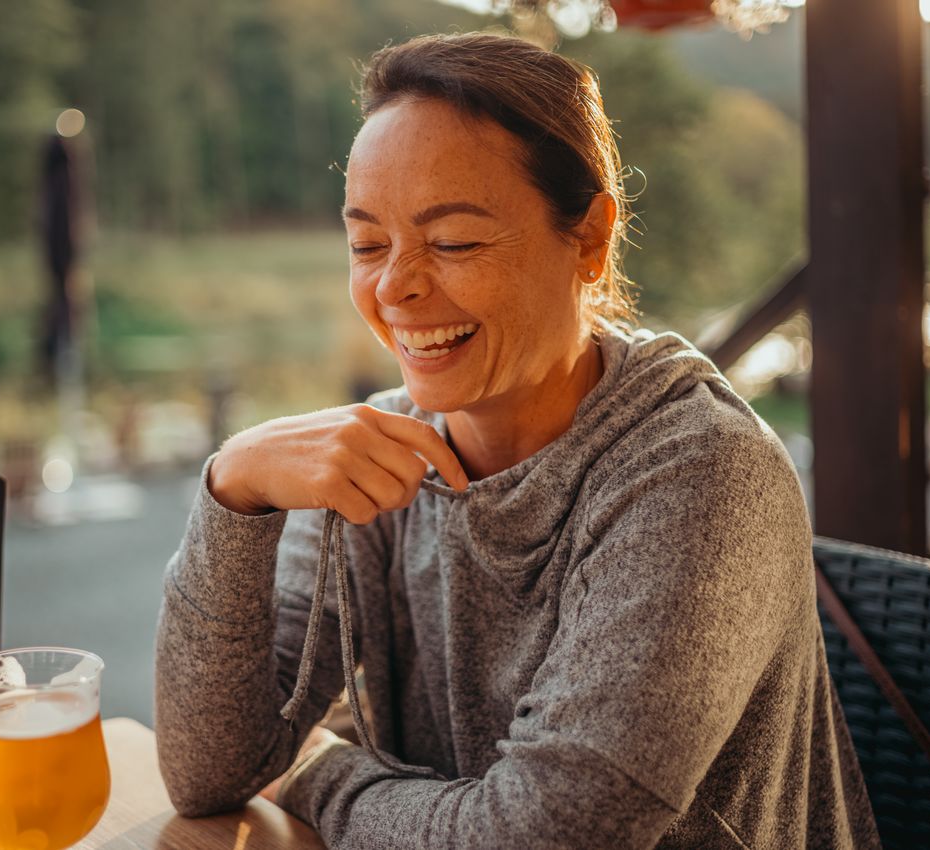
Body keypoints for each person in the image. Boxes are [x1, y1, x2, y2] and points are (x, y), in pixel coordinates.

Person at [155, 32, 880, 849]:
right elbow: (209, 771)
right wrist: (232, 491)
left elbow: (541, 834)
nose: (395, 285)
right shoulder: (382, 453)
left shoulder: (699, 474)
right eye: (366, 244)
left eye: (455, 241)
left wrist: (322, 770)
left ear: (591, 239)